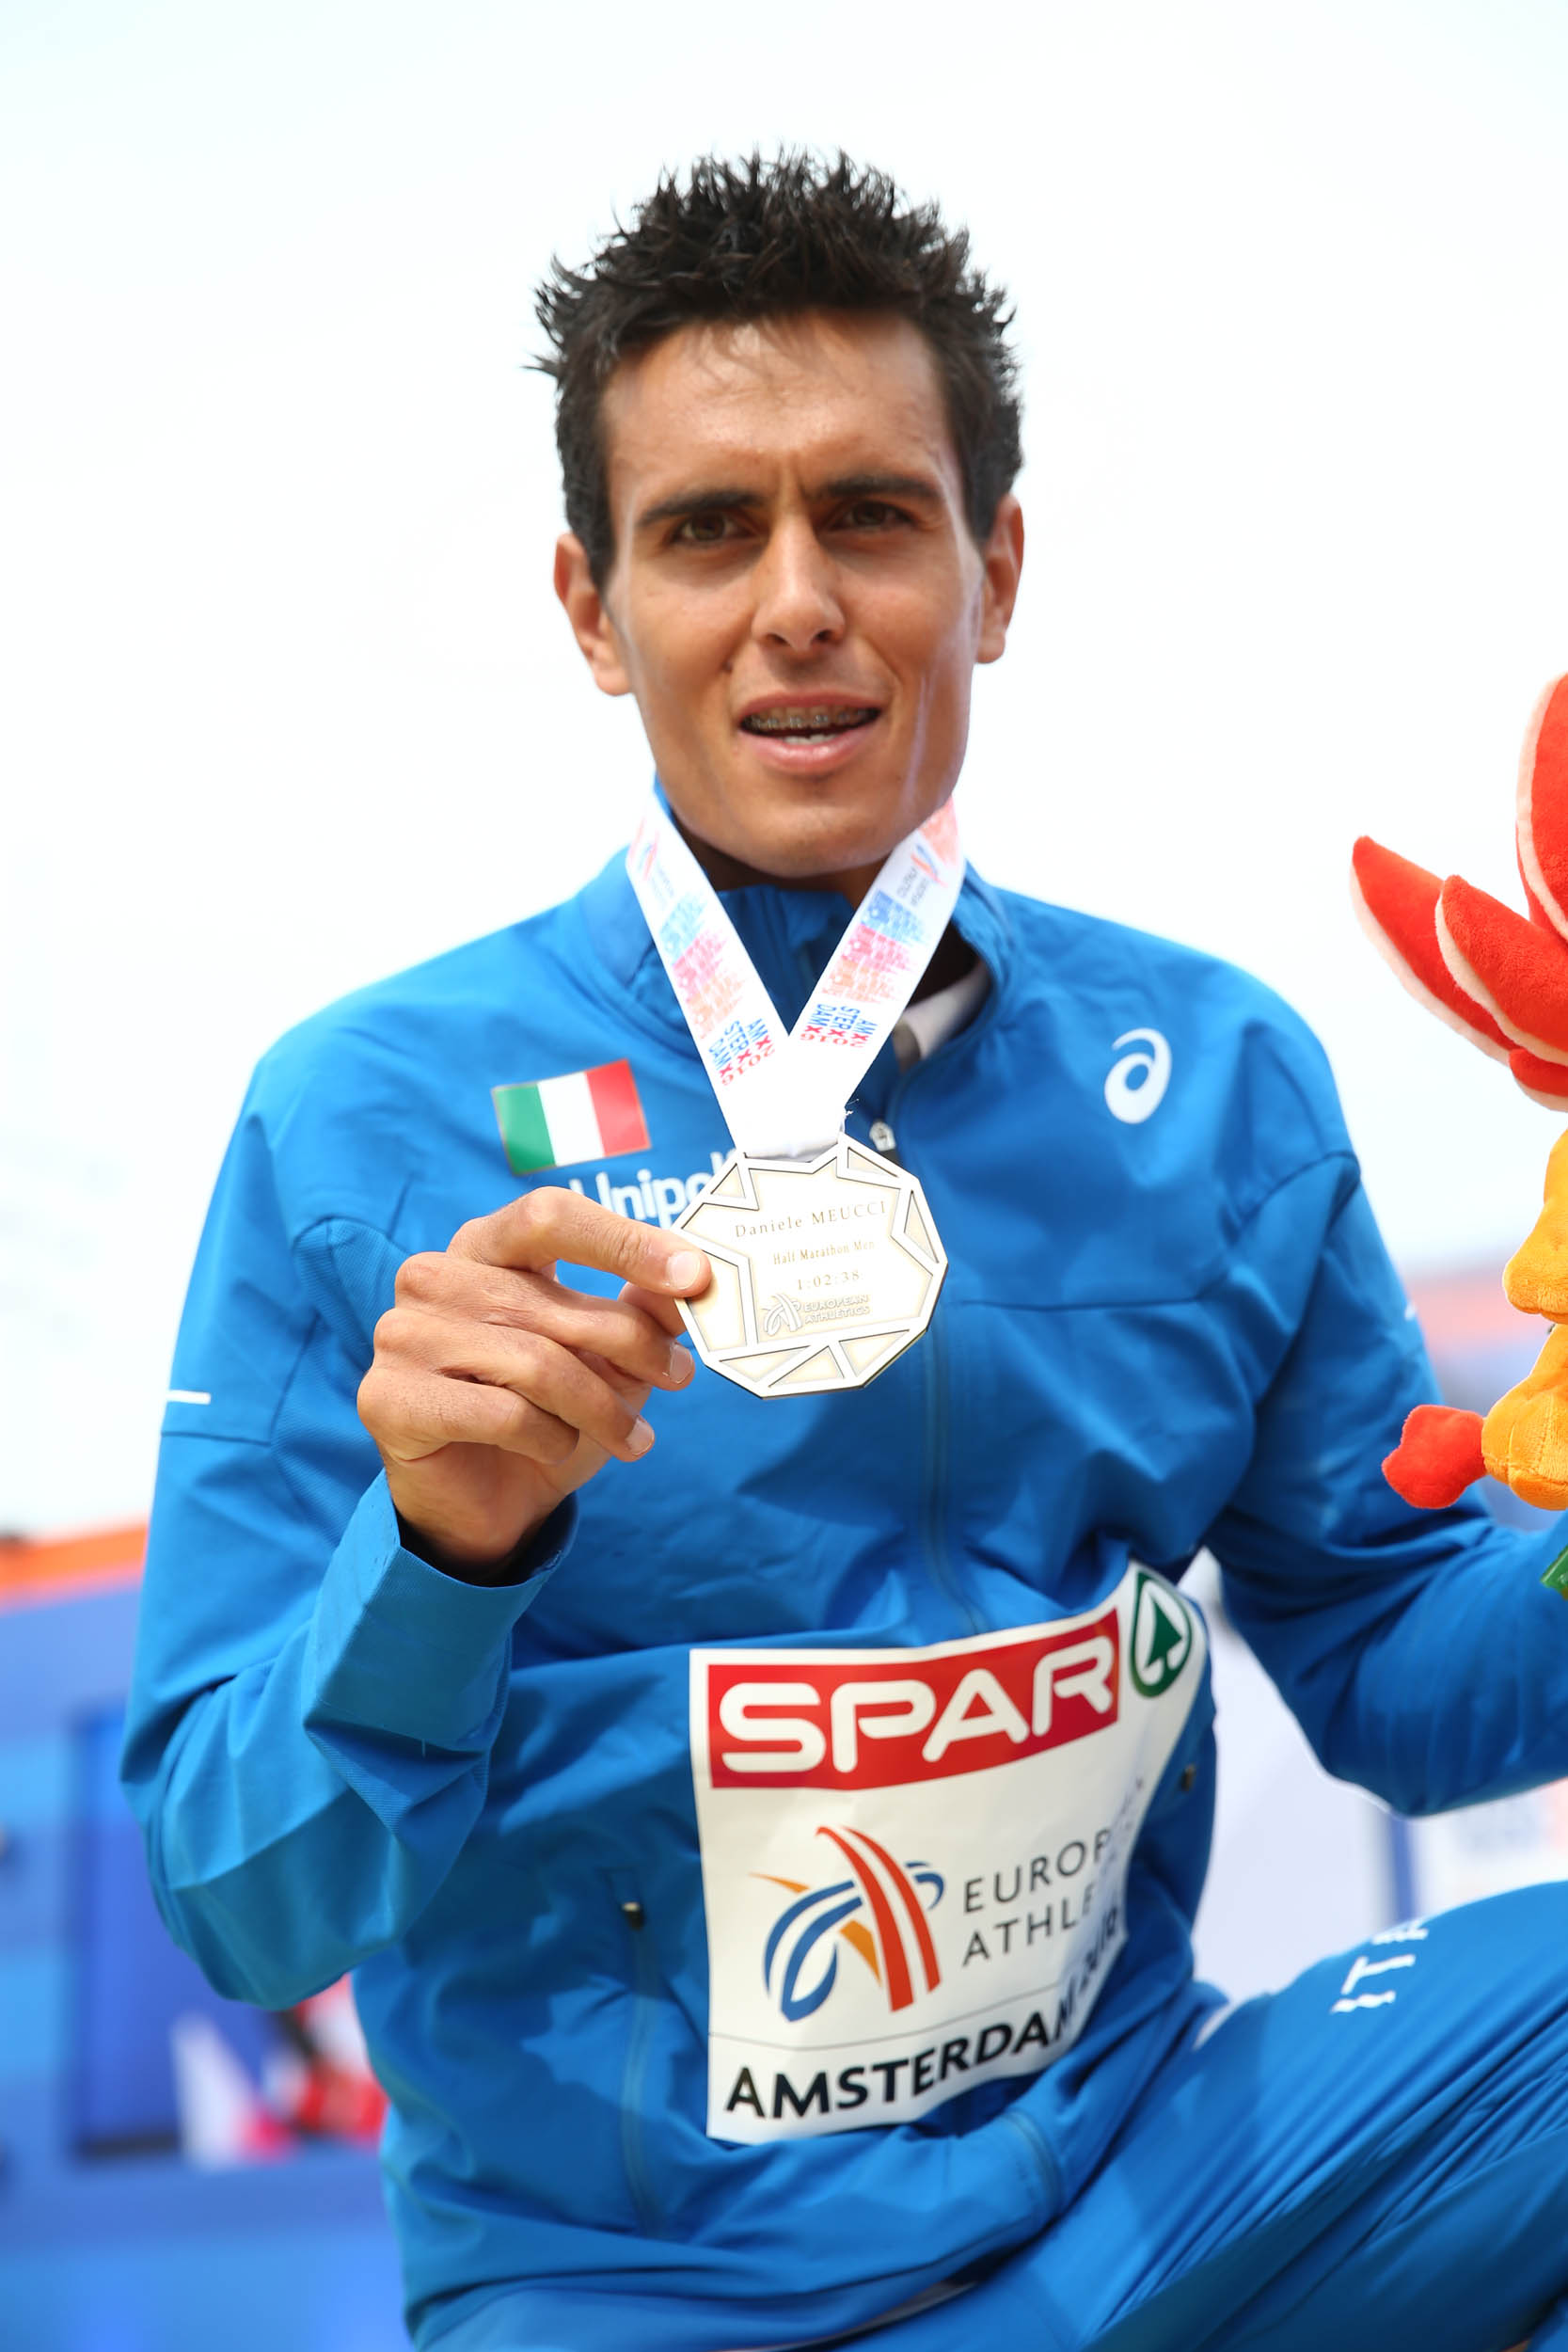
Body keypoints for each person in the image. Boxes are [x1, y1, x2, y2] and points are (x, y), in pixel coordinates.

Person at [122, 152, 1568, 2352]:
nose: (797, 600)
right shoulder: (361, 1119)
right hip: (635, 2296)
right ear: (592, 606)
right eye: (710, 528)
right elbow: (245, 1903)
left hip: (1152, 2191)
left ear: (994, 569)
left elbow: (1402, 1668)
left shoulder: (1218, 1075)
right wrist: (437, 1557)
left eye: (872, 515)